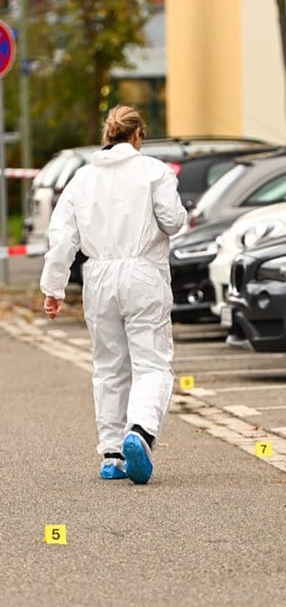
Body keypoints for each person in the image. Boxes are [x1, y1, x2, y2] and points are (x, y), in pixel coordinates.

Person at [39, 105, 187, 484]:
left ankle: (112, 454)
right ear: (138, 136)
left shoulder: (81, 179)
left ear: (107, 136)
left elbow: (61, 238)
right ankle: (139, 431)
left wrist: (53, 288)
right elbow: (172, 220)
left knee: (108, 367)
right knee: (151, 363)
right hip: (143, 273)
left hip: (99, 276)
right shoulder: (154, 171)